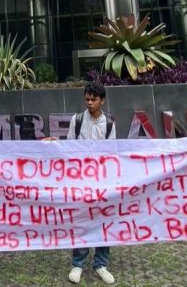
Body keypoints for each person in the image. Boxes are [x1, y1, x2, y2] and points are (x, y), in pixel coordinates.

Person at [64, 82, 116, 285]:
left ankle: (101, 264)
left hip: (102, 181)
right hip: (81, 181)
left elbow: (111, 155)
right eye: (87, 99)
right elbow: (68, 148)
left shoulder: (109, 123)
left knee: (103, 222)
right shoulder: (76, 120)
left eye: (94, 99)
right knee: (82, 221)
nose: (90, 103)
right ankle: (78, 264)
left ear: (102, 100)